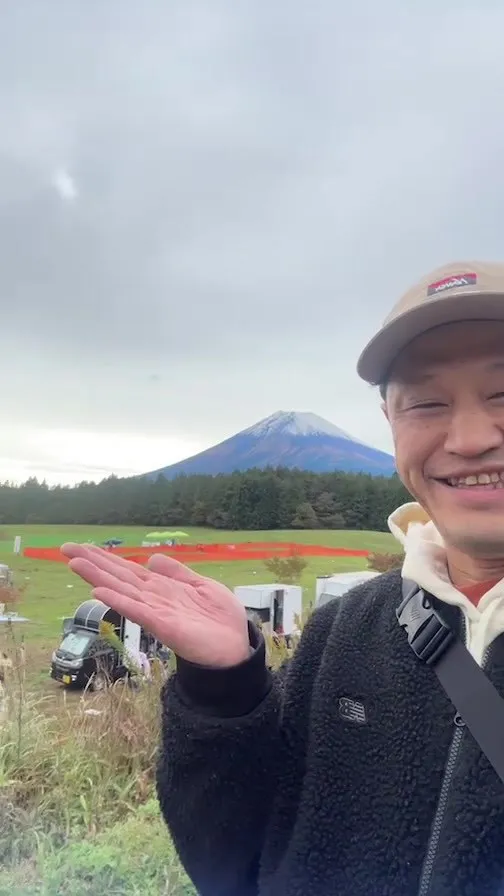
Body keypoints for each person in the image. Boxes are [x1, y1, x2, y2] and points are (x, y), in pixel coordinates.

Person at [62, 260, 504, 895]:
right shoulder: (345, 632)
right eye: (428, 403)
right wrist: (223, 688)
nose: (468, 437)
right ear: (390, 421)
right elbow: (236, 867)